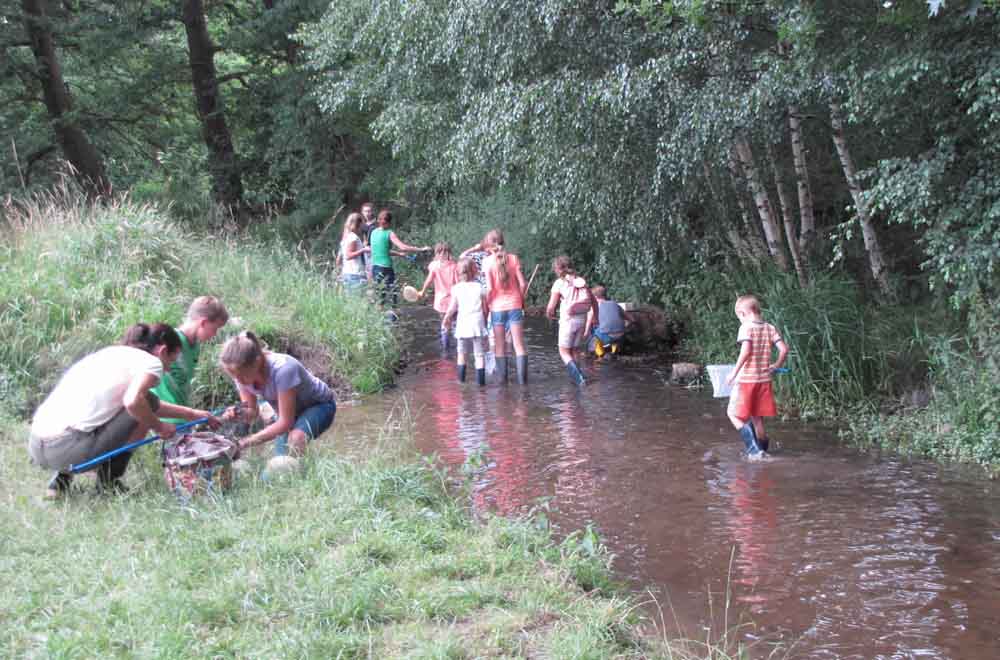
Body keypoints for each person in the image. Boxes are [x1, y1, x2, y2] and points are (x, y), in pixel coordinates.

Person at [28, 323, 221, 498]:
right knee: (141, 408)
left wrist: (194, 415)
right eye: (171, 361)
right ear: (162, 351)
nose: (168, 369)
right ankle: (108, 483)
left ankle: (60, 482)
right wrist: (160, 427)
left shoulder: (111, 354)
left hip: (37, 445)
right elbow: (133, 402)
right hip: (66, 451)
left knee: (138, 404)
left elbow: (151, 403)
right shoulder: (151, 363)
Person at [219, 332, 337, 458]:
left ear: (257, 362)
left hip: (319, 405)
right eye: (234, 377)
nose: (239, 381)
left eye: (242, 376)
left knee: (296, 439)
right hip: (287, 414)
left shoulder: (283, 369)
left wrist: (244, 443)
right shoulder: (240, 373)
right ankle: (303, 471)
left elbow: (285, 422)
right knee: (281, 460)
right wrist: (240, 413)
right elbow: (252, 412)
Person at [725, 294, 788, 460]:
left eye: (739, 317)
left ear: (743, 313)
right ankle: (764, 450)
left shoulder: (746, 328)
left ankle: (753, 450)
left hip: (746, 380)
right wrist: (776, 365)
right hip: (764, 380)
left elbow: (745, 352)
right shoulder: (770, 327)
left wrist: (734, 373)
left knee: (733, 414)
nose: (740, 320)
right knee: (757, 418)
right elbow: (784, 350)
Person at [153, 296, 229, 423]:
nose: (214, 334)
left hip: (183, 415)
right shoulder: (169, 340)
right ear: (203, 323)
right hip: (165, 419)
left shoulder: (195, 346)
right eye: (215, 328)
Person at [481, 229, 529, 384]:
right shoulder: (513, 258)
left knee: (500, 347)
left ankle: (503, 384)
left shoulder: (487, 262)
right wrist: (521, 301)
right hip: (515, 305)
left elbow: (489, 289)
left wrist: (486, 307)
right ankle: (523, 384)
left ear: (489, 246)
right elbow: (523, 284)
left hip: (497, 308)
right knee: (519, 346)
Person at [545, 255, 599, 386]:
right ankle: (576, 378)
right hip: (582, 320)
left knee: (563, 351)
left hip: (568, 321)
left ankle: (579, 379)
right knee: (575, 350)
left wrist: (549, 315)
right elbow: (594, 302)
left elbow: (551, 307)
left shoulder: (559, 283)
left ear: (558, 269)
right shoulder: (581, 281)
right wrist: (595, 318)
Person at [369, 209, 430, 307]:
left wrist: (399, 254)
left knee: (380, 294)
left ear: (378, 220)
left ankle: (380, 314)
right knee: (393, 292)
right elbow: (403, 247)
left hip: (375, 267)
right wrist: (420, 249)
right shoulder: (389, 233)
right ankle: (394, 313)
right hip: (386, 267)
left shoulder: (373, 232)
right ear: (389, 222)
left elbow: (381, 251)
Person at [443, 258, 488, 385]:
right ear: (474, 271)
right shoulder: (480, 287)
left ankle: (461, 382)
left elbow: (452, 308)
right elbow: (485, 308)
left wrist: (446, 318)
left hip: (463, 323)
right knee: (479, 355)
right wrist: (485, 321)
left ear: (459, 272)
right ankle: (481, 385)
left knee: (461, 353)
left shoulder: (456, 288)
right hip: (477, 322)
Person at [418, 242, 459, 349]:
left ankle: (445, 348)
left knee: (444, 323)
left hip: (441, 301)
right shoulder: (454, 266)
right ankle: (458, 348)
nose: (443, 254)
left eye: (444, 252)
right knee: (455, 323)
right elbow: (458, 283)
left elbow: (428, 280)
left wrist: (422, 291)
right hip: (453, 301)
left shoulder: (434, 266)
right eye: (442, 252)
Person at [586, 286, 633, 358]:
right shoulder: (615, 304)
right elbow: (631, 319)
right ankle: (614, 349)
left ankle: (599, 354)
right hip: (620, 335)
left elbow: (588, 325)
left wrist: (583, 335)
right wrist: (625, 327)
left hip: (607, 336)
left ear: (595, 297)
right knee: (611, 336)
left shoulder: (594, 307)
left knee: (592, 336)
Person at [339, 212, 371, 294]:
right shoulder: (353, 237)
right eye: (362, 224)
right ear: (358, 224)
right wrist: (363, 250)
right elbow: (348, 255)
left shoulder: (346, 237)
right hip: (355, 274)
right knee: (358, 301)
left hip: (347, 272)